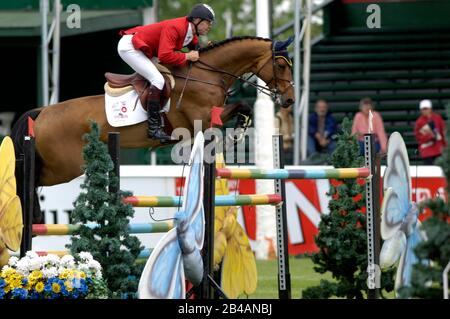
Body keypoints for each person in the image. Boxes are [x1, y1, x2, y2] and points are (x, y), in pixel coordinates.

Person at [117, 4, 215, 142]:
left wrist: (209, 49)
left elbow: (196, 50)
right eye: (207, 22)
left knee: (166, 77)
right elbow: (164, 56)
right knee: (158, 80)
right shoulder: (176, 27)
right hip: (130, 47)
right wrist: (187, 56)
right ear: (197, 20)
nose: (209, 26)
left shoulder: (191, 33)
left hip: (144, 49)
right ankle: (153, 128)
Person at [414, 99, 446, 165]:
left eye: (426, 108)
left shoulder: (438, 118)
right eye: (423, 109)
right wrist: (430, 136)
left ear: (430, 109)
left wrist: (445, 146)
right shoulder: (419, 122)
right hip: (427, 152)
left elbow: (443, 132)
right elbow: (418, 137)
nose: (425, 111)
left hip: (439, 150)